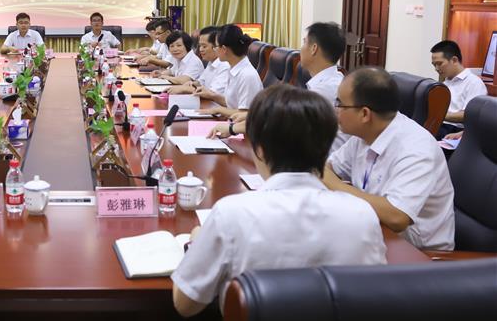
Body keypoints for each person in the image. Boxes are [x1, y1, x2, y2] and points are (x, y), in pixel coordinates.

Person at [172, 84, 386, 321]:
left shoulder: (232, 213)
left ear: (259, 149)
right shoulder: (362, 215)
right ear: (326, 149)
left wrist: (195, 242)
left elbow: (185, 305)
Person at [324, 66, 455, 250]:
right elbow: (328, 167)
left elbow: (397, 217)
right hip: (375, 232)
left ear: (364, 114)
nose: (335, 110)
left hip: (418, 253)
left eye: (340, 104)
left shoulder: (417, 148)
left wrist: (336, 185)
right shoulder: (365, 134)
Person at [209, 22, 349, 146]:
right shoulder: (328, 82)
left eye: (304, 42)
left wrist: (232, 129)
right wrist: (250, 116)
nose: (301, 48)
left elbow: (281, 122)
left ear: (314, 49)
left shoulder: (326, 89)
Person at [171, 24, 262, 118]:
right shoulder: (233, 68)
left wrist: (218, 110)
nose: (215, 50)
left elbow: (245, 114)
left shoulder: (247, 75)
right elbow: (231, 103)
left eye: (216, 47)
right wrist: (213, 96)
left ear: (224, 49)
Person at [430, 40, 488, 138]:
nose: (436, 68)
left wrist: (439, 115)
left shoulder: (474, 83)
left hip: (455, 129)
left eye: (439, 63)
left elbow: (470, 115)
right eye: (434, 65)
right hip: (439, 124)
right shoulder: (445, 83)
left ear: (454, 60)